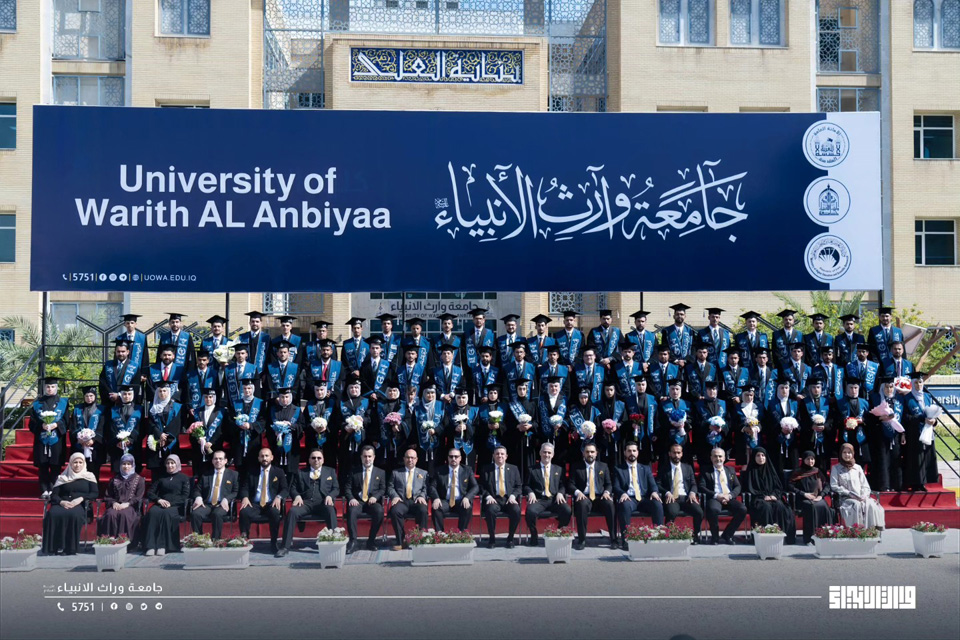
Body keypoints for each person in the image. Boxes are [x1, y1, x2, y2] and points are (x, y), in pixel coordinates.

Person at [279, 449, 339, 556]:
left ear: (323, 460)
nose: (316, 460)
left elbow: (336, 488)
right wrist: (297, 496)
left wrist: (330, 496)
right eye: (313, 458)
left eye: (319, 458)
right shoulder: (301, 472)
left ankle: (334, 544)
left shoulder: (330, 471)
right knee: (292, 511)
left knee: (330, 510)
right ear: (309, 460)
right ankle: (285, 546)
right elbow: (292, 488)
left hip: (322, 503)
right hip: (305, 503)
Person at [41, 453, 99, 555]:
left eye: (80, 462)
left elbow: (94, 493)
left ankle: (70, 548)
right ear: (70, 464)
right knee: (53, 514)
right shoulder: (63, 477)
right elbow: (54, 495)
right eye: (75, 462)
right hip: (62, 503)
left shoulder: (89, 476)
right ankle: (53, 547)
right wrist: (61, 502)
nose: (78, 465)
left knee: (73, 514)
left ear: (84, 464)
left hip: (80, 504)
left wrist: (81, 499)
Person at [612, 441, 663, 548]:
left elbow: (653, 485)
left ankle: (659, 538)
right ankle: (626, 540)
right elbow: (616, 487)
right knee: (624, 505)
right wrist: (622, 493)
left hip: (644, 498)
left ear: (638, 452)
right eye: (629, 451)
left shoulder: (645, 468)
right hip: (629, 499)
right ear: (625, 453)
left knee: (657, 504)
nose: (632, 453)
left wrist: (654, 492)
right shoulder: (618, 469)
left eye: (634, 451)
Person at [238, 447, 288, 553]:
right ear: (258, 458)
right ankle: (245, 540)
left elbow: (285, 489)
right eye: (262, 456)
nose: (264, 458)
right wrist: (245, 497)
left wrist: (279, 497)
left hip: (271, 503)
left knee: (275, 512)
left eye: (266, 456)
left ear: (271, 457)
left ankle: (274, 542)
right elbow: (244, 487)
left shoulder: (278, 472)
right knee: (244, 512)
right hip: (255, 504)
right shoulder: (252, 471)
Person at [742, 447, 797, 544]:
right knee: (766, 507)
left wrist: (774, 495)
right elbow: (750, 489)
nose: (761, 458)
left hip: (773, 497)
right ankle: (765, 538)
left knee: (780, 506)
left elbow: (778, 487)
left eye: (763, 455)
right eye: (758, 455)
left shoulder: (771, 471)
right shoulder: (750, 472)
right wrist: (763, 496)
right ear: (754, 457)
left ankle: (781, 537)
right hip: (758, 499)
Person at [567, 443, 616, 550]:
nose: (590, 454)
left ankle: (613, 539)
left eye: (592, 452)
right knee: (581, 505)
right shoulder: (576, 466)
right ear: (583, 453)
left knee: (610, 504)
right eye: (587, 452)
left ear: (596, 453)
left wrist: (607, 492)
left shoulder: (603, 466)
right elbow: (570, 484)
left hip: (600, 497)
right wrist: (578, 492)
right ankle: (582, 540)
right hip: (584, 497)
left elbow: (608, 484)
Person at [523, 442, 572, 546]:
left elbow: (563, 485)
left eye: (549, 453)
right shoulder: (532, 469)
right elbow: (526, 485)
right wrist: (530, 492)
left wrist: (560, 493)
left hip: (554, 499)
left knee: (567, 510)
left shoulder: (559, 469)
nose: (546, 455)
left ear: (553, 455)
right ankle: (534, 535)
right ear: (540, 453)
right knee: (530, 512)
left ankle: (558, 533)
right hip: (539, 500)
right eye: (544, 452)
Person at [142, 454, 190, 556]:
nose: (170, 465)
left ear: (177, 464)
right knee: (153, 512)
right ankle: (150, 546)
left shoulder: (184, 478)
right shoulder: (161, 478)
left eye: (172, 463)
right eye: (168, 463)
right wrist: (159, 500)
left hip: (176, 505)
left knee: (166, 514)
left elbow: (185, 496)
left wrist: (171, 503)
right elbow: (150, 492)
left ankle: (163, 546)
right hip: (161, 503)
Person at [697, 448, 747, 545]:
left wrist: (730, 495)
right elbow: (701, 487)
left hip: (728, 497)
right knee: (712, 509)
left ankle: (727, 534)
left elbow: (737, 486)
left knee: (742, 509)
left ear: (724, 458)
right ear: (711, 458)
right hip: (714, 497)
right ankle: (715, 537)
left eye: (720, 456)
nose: (718, 458)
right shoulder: (705, 471)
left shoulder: (730, 470)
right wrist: (717, 495)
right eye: (715, 456)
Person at [830, 443, 886, 529]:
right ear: (841, 454)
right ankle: (856, 531)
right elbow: (834, 485)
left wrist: (864, 495)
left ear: (853, 454)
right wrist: (848, 493)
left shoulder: (858, 468)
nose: (847, 455)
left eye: (849, 452)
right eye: (844, 452)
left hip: (861, 497)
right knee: (856, 506)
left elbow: (865, 485)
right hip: (846, 498)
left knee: (871, 505)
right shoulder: (836, 468)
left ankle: (871, 531)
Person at [30, 376, 69, 498]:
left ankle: (53, 489)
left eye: (52, 386)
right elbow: (32, 423)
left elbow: (67, 421)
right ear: (44, 388)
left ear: (56, 388)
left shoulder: (63, 403)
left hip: (56, 438)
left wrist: (56, 424)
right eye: (48, 386)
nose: (50, 389)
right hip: (41, 439)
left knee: (55, 464)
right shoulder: (37, 403)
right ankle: (44, 489)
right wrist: (41, 425)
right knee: (43, 465)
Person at [656, 442, 703, 541]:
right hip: (672, 497)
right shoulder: (664, 468)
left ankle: (695, 535)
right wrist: (667, 492)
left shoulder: (688, 468)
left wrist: (692, 492)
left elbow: (693, 483)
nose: (676, 455)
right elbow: (658, 484)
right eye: (674, 453)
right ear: (669, 454)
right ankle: (669, 535)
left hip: (686, 497)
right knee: (672, 512)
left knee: (699, 512)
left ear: (682, 454)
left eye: (678, 453)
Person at [345, 445, 387, 553]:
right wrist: (351, 498)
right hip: (358, 501)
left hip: (372, 502)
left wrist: (375, 497)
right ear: (361, 457)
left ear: (374, 457)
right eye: (365, 456)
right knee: (351, 511)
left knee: (379, 511)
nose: (367, 459)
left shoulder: (380, 472)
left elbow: (382, 489)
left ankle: (371, 540)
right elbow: (347, 488)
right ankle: (353, 541)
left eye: (369, 456)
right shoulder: (354, 471)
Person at [189, 450, 238, 541]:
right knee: (195, 514)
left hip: (222, 504)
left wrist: (227, 499)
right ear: (212, 461)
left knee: (217, 514)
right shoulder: (206, 474)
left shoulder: (233, 475)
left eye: (220, 459)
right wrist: (198, 497)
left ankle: (216, 540)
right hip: (207, 504)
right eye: (215, 459)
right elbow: (197, 489)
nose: (218, 461)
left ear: (225, 461)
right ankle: (199, 540)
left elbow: (235, 492)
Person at [480, 445, 522, 548]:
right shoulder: (486, 469)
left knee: (516, 510)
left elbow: (519, 486)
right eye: (497, 454)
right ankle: (492, 539)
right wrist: (488, 496)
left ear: (506, 456)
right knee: (490, 511)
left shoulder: (513, 469)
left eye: (502, 454)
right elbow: (481, 486)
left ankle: (510, 539)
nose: (500, 456)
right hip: (494, 499)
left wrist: (513, 496)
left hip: (508, 499)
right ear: (493, 456)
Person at [387, 448, 429, 549]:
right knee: (395, 511)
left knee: (423, 510)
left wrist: (422, 496)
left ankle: (419, 539)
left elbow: (426, 488)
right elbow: (390, 487)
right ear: (404, 459)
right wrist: (395, 496)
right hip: (401, 501)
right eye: (408, 457)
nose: (410, 460)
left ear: (416, 459)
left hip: (416, 501)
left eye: (412, 458)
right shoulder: (396, 473)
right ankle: (400, 541)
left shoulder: (423, 473)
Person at [789, 451, 834, 545]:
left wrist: (821, 496)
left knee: (824, 506)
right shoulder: (798, 472)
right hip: (803, 499)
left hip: (817, 497)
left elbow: (827, 486)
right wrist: (804, 494)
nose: (810, 461)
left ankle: (824, 535)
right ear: (803, 460)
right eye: (808, 459)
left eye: (812, 459)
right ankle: (810, 538)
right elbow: (790, 486)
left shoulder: (817, 471)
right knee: (811, 507)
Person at [429, 448, 479, 532]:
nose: (453, 459)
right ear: (448, 458)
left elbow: (475, 487)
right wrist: (436, 498)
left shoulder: (467, 470)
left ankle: (461, 533)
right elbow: (432, 486)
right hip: (444, 500)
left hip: (461, 500)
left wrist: (467, 497)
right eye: (451, 456)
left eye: (456, 457)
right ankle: (440, 534)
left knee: (467, 508)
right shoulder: (439, 470)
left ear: (460, 458)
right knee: (436, 508)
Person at [98, 453, 144, 544]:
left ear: (133, 465)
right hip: (116, 505)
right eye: (124, 464)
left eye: (129, 464)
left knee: (124, 515)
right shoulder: (114, 479)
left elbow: (139, 496)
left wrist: (127, 504)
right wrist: (114, 503)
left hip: (130, 506)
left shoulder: (139, 479)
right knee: (110, 514)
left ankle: (125, 542)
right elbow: (108, 496)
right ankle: (108, 541)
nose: (126, 466)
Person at [902, 372, 936, 491]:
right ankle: (916, 483)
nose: (918, 385)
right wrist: (921, 419)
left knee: (926, 455)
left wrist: (934, 421)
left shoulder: (927, 396)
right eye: (915, 383)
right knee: (916, 457)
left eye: (920, 382)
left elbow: (933, 412)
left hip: (927, 430)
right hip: (914, 432)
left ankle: (924, 482)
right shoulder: (907, 398)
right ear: (912, 384)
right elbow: (905, 416)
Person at [142, 381, 182, 473]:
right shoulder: (152, 406)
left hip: (171, 440)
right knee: (157, 471)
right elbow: (149, 423)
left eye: (164, 391)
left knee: (170, 468)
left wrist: (166, 437)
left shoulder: (177, 406)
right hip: (156, 439)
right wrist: (159, 434)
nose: (162, 393)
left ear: (169, 392)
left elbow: (177, 423)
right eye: (160, 391)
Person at [106, 385, 142, 473]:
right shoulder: (113, 410)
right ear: (121, 395)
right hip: (117, 445)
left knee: (134, 471)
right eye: (124, 394)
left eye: (129, 394)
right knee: (118, 470)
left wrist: (130, 439)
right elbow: (110, 427)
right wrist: (118, 440)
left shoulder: (140, 409)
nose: (127, 396)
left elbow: (141, 427)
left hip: (134, 444)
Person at [69, 384, 105, 471]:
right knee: (79, 470)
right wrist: (79, 438)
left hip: (95, 445)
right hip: (80, 444)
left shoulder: (101, 409)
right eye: (87, 396)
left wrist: (94, 439)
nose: (89, 398)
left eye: (91, 396)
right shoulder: (77, 409)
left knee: (94, 470)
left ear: (95, 396)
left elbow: (102, 426)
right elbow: (73, 425)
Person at [661, 303, 694, 368]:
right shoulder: (666, 331)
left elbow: (693, 348)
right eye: (677, 314)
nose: (679, 316)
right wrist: (675, 360)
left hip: (687, 364)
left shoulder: (690, 331)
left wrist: (686, 360)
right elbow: (665, 347)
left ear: (685, 316)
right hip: (672, 364)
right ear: (674, 316)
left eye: (682, 314)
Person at [240, 311, 271, 376]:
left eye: (257, 321)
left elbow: (269, 356)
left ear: (261, 323)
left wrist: (266, 373)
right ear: (249, 323)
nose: (255, 323)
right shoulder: (242, 337)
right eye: (253, 321)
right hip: (244, 371)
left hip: (261, 372)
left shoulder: (266, 338)